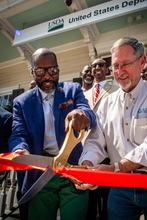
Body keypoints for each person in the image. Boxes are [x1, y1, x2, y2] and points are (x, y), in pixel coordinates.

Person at [78, 37, 147, 220]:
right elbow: (95, 141)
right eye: (116, 66)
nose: (120, 72)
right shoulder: (107, 103)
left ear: (142, 62)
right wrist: (87, 168)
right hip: (120, 185)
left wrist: (115, 168)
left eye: (125, 64)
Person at [9, 48, 96, 220]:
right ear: (32, 71)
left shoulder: (72, 90)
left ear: (58, 69)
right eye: (41, 71)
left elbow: (88, 112)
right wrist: (21, 151)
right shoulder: (21, 102)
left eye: (53, 70)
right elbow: (18, 134)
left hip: (72, 168)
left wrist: (82, 115)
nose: (48, 77)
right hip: (41, 171)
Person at [84, 58, 118, 220]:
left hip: (109, 150)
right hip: (87, 151)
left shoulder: (116, 89)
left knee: (107, 196)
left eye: (101, 65)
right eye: (94, 65)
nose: (97, 67)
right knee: (89, 197)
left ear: (107, 70)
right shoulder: (83, 94)